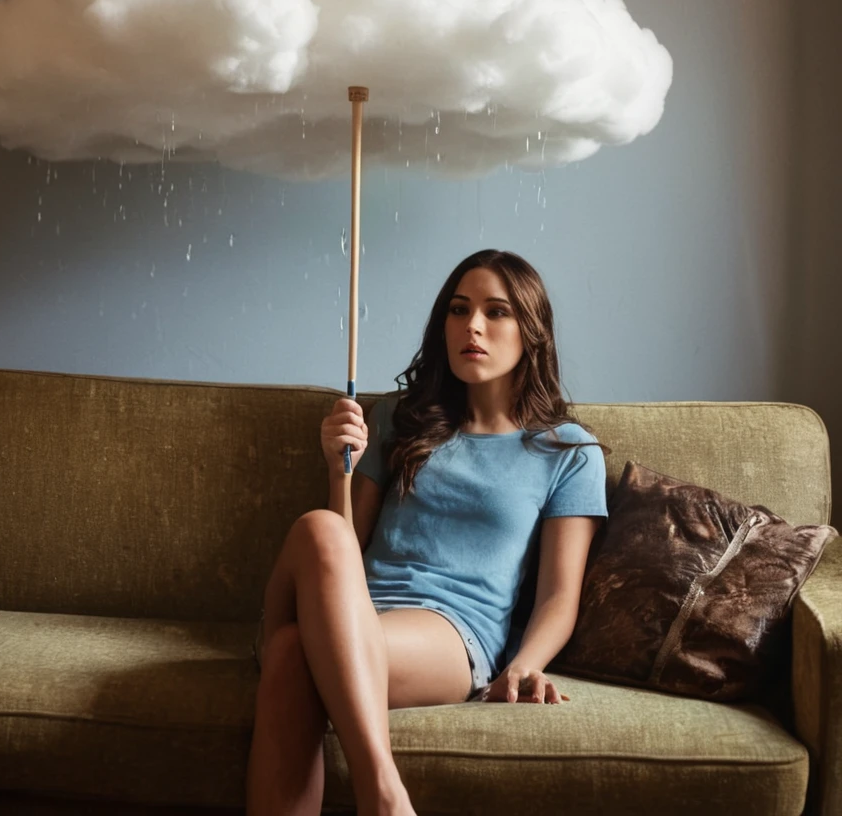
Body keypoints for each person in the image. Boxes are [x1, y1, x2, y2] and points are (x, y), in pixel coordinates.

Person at [245, 249, 610, 816]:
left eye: (497, 312)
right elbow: (342, 544)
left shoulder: (567, 451)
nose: (473, 326)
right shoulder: (396, 418)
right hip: (347, 604)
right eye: (459, 310)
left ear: (532, 331)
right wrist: (338, 466)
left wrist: (524, 664)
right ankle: (385, 794)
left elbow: (561, 595)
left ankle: (380, 794)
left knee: (294, 652)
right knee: (319, 528)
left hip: (451, 629)